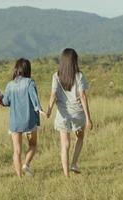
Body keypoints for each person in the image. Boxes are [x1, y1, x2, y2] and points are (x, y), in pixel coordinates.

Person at [47, 48, 93, 177]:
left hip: (62, 115)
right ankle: (74, 163)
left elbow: (53, 95)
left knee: (65, 145)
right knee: (80, 137)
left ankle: (66, 175)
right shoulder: (79, 76)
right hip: (78, 113)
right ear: (74, 61)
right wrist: (89, 118)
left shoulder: (56, 76)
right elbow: (83, 96)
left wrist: (49, 110)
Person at [3, 58, 46, 177]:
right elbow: (35, 100)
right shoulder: (30, 82)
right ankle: (26, 164)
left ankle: (19, 177)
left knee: (16, 151)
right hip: (29, 121)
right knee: (33, 145)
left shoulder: (9, 85)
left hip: (15, 122)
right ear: (28, 69)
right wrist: (41, 110)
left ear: (16, 69)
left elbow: (5, 102)